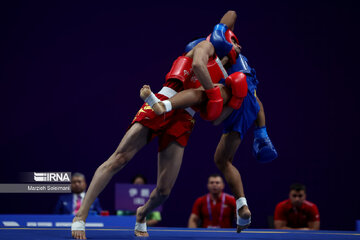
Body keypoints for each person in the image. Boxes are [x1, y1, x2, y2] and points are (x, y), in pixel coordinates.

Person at [71, 11, 240, 239]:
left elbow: (216, 117)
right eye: (234, 42)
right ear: (226, 38)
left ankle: (141, 214)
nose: (237, 48)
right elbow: (230, 15)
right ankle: (80, 216)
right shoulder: (205, 47)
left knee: (163, 191)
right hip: (162, 101)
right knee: (119, 158)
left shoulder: (228, 74)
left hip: (184, 119)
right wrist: (223, 34)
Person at [141, 13, 278, 233]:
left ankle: (163, 106)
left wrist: (221, 31)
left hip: (233, 95)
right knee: (222, 160)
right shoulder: (231, 56)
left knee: (199, 94)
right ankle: (242, 205)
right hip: (246, 103)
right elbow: (256, 103)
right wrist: (260, 131)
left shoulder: (220, 47)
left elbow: (230, 14)